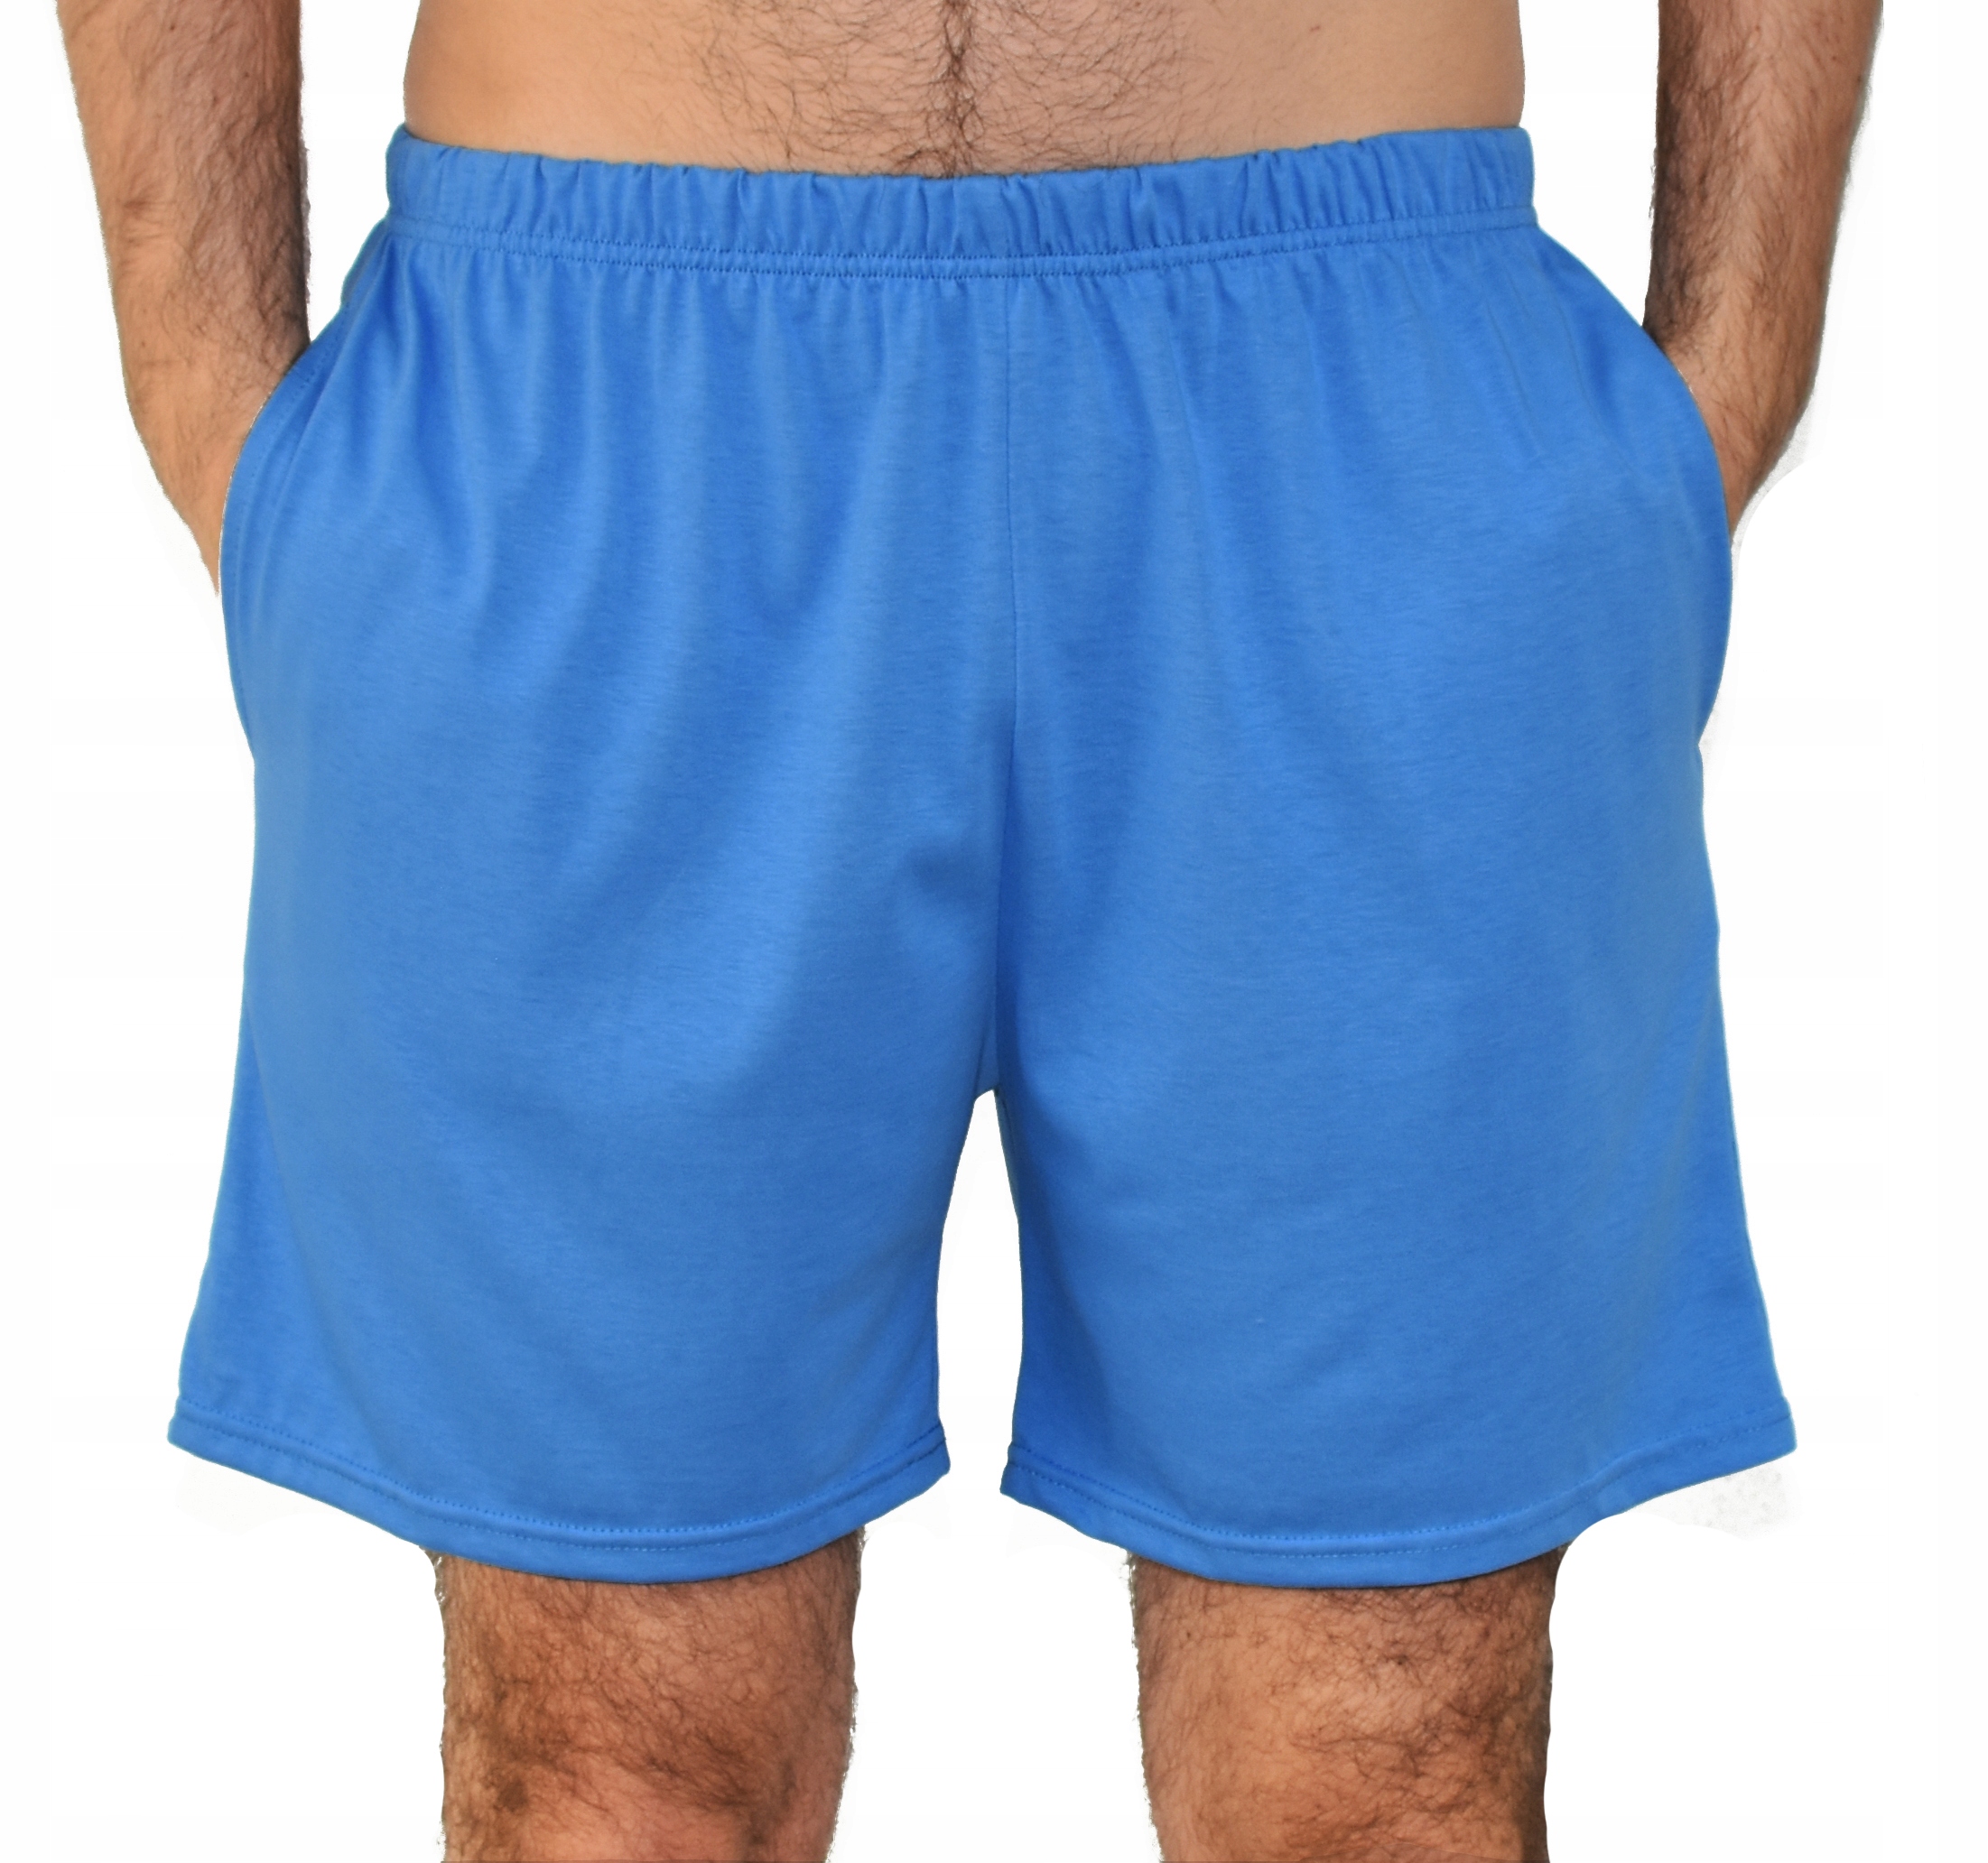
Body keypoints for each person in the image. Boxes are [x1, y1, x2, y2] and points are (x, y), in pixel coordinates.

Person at [56, 1, 1880, 1857]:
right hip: (591, 394)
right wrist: (205, 377)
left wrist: (1730, 368)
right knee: (616, 1784)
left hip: (1364, 394)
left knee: (1374, 1789)